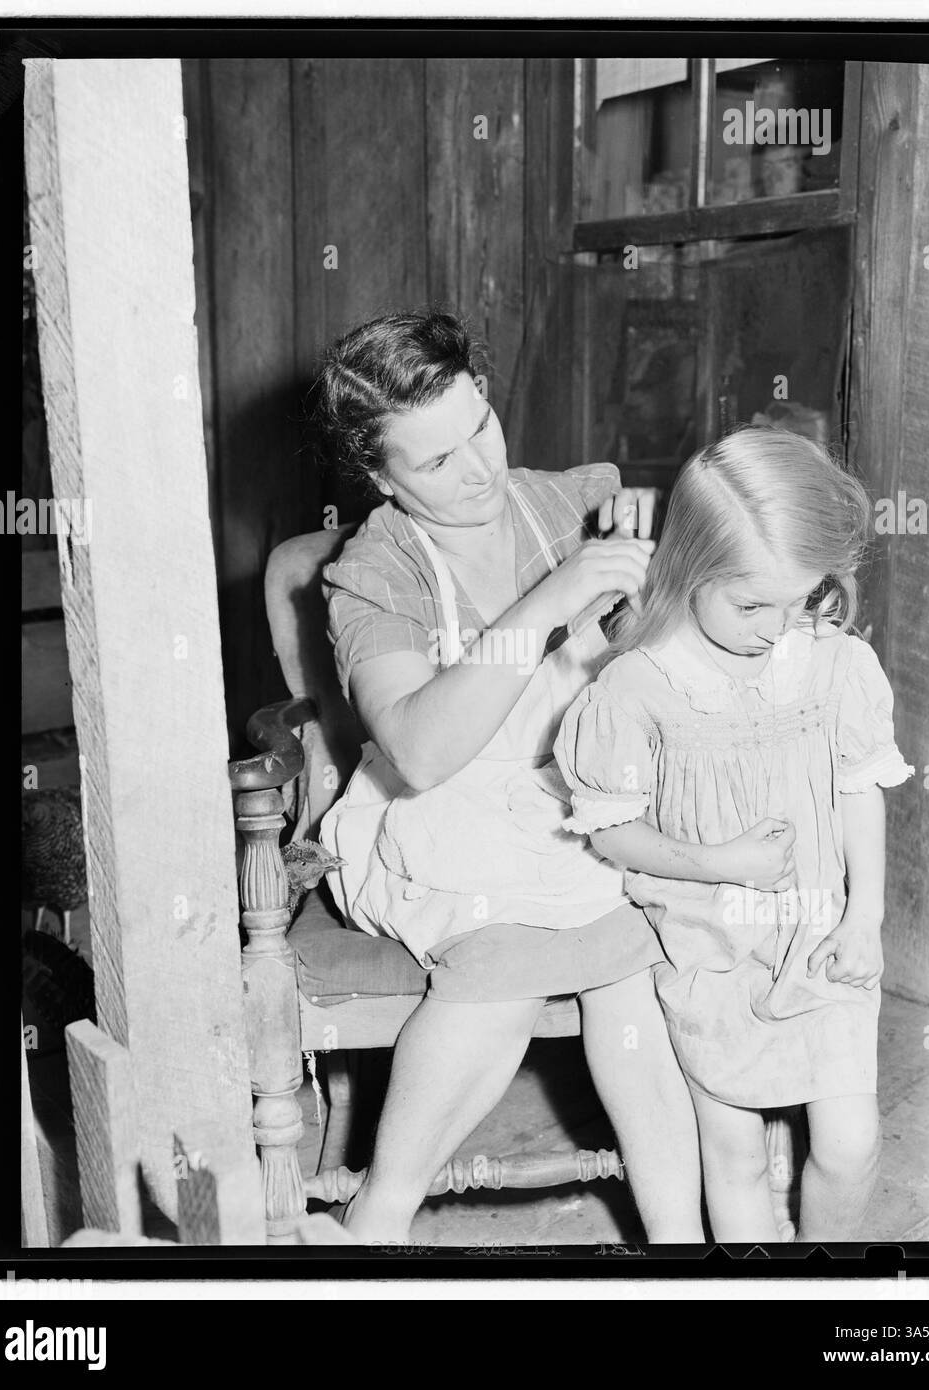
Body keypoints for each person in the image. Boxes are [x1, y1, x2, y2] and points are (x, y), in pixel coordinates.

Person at [313, 309, 788, 1243]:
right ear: (378, 476)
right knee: (506, 959)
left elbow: (667, 635)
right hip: (442, 819)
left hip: (574, 795)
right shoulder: (373, 573)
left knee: (638, 975)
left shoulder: (564, 503)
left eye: (478, 427)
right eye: (437, 462)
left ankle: (676, 1244)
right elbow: (418, 750)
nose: (480, 469)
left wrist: (651, 586)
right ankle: (379, 1221)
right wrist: (552, 599)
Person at [554, 426, 914, 1242]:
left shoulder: (831, 666)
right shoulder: (638, 689)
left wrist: (864, 916)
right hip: (707, 944)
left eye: (802, 599)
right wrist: (719, 862)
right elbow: (612, 834)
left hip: (822, 933)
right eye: (753, 604)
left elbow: (861, 790)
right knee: (736, 1153)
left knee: (852, 1145)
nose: (777, 627)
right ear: (686, 569)